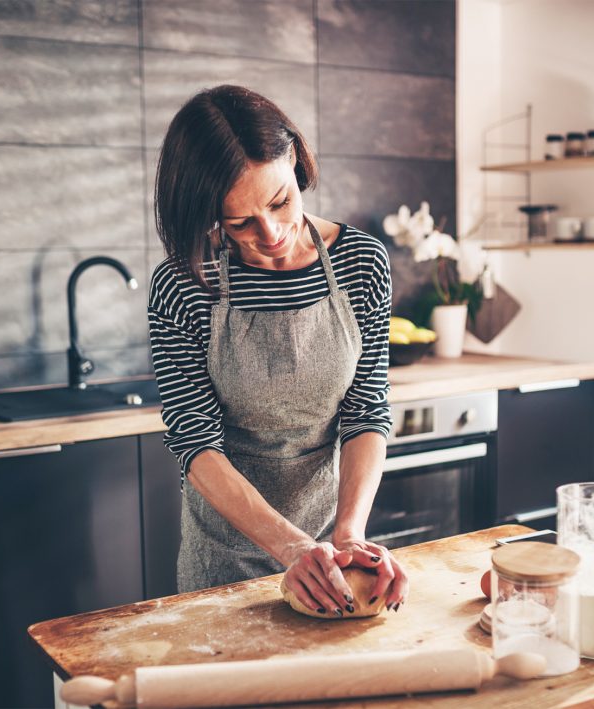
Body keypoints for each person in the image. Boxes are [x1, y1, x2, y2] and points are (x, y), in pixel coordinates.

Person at [147, 85, 408, 616]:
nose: (269, 234)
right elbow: (195, 442)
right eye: (238, 221)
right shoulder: (183, 283)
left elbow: (366, 411)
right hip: (223, 560)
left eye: (280, 201)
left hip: (330, 549)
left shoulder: (361, 263)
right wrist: (290, 547)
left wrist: (348, 536)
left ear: (295, 161)